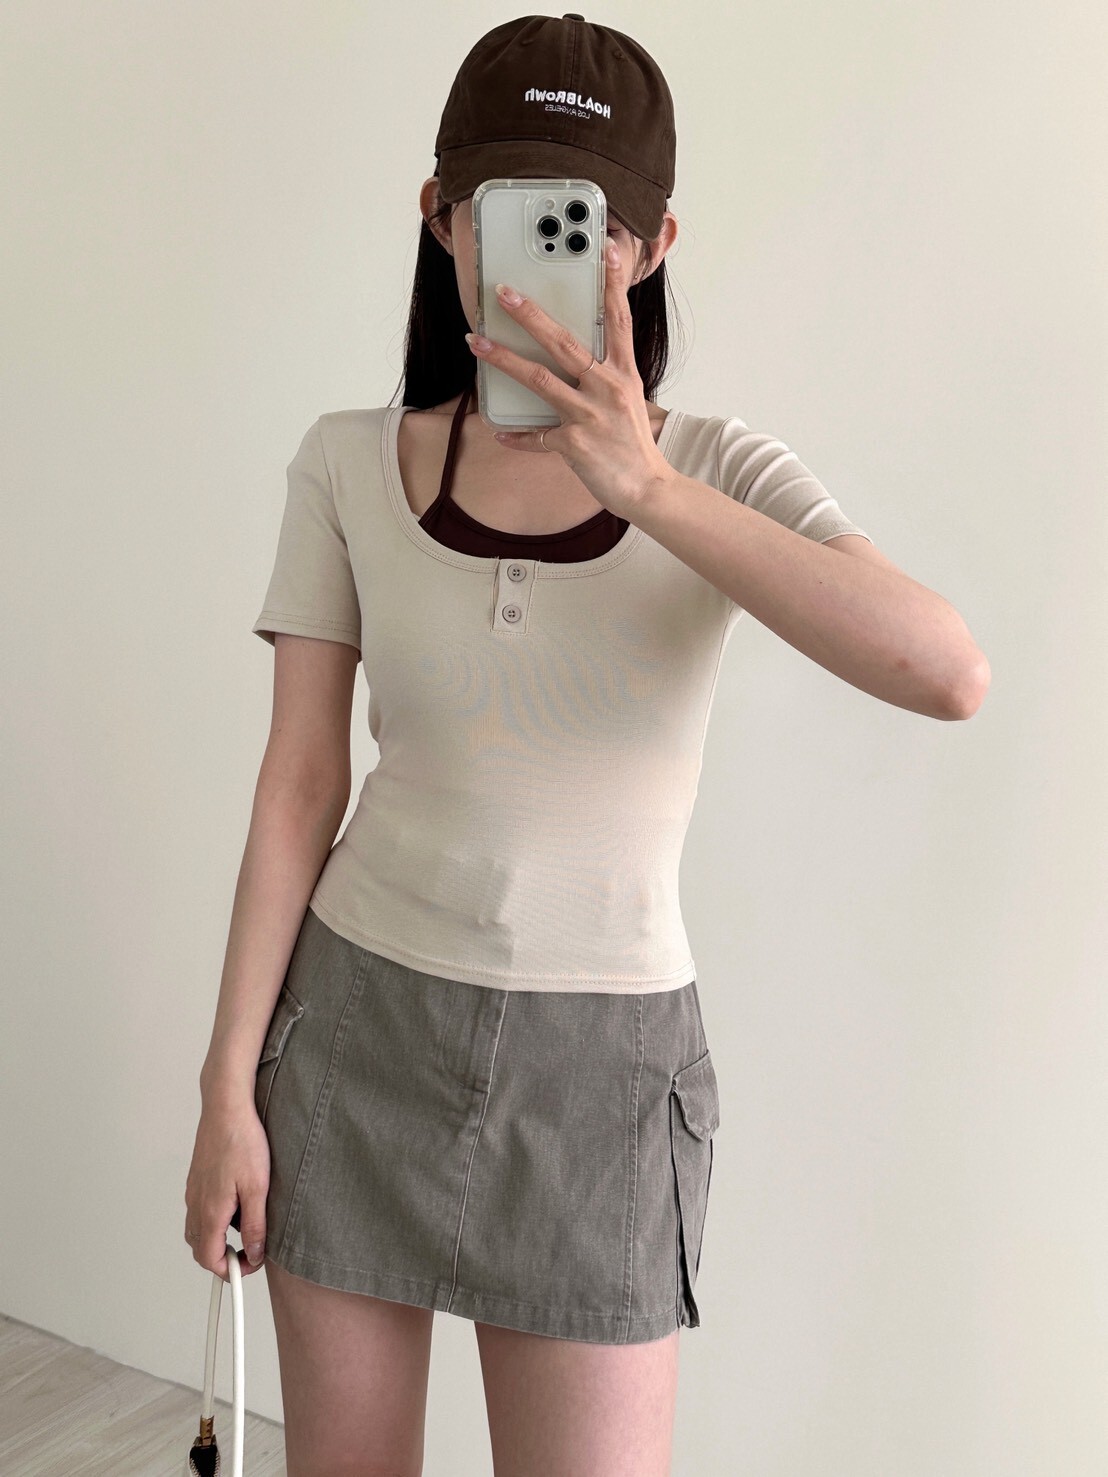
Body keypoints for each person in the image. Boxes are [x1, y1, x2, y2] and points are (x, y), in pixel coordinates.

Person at [185, 14, 990, 1475]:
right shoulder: (345, 463)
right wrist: (225, 1088)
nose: (549, 257)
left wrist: (650, 489)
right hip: (357, 1032)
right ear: (440, 218)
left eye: (593, 224)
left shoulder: (720, 469)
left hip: (603, 1075)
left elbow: (948, 672)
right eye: (509, 213)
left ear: (657, 242)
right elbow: (299, 784)